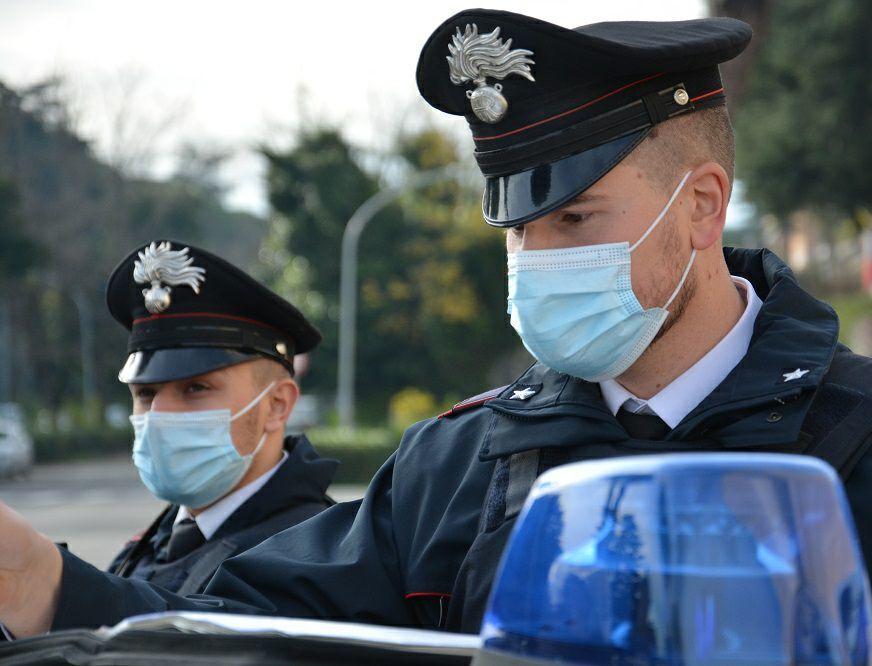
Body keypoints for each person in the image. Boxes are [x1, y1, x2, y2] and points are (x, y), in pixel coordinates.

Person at [1, 9, 871, 640]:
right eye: (518, 230)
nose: (536, 259)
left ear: (702, 207)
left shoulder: (856, 434)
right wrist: (40, 580)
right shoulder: (456, 465)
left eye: (574, 220)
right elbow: (242, 634)